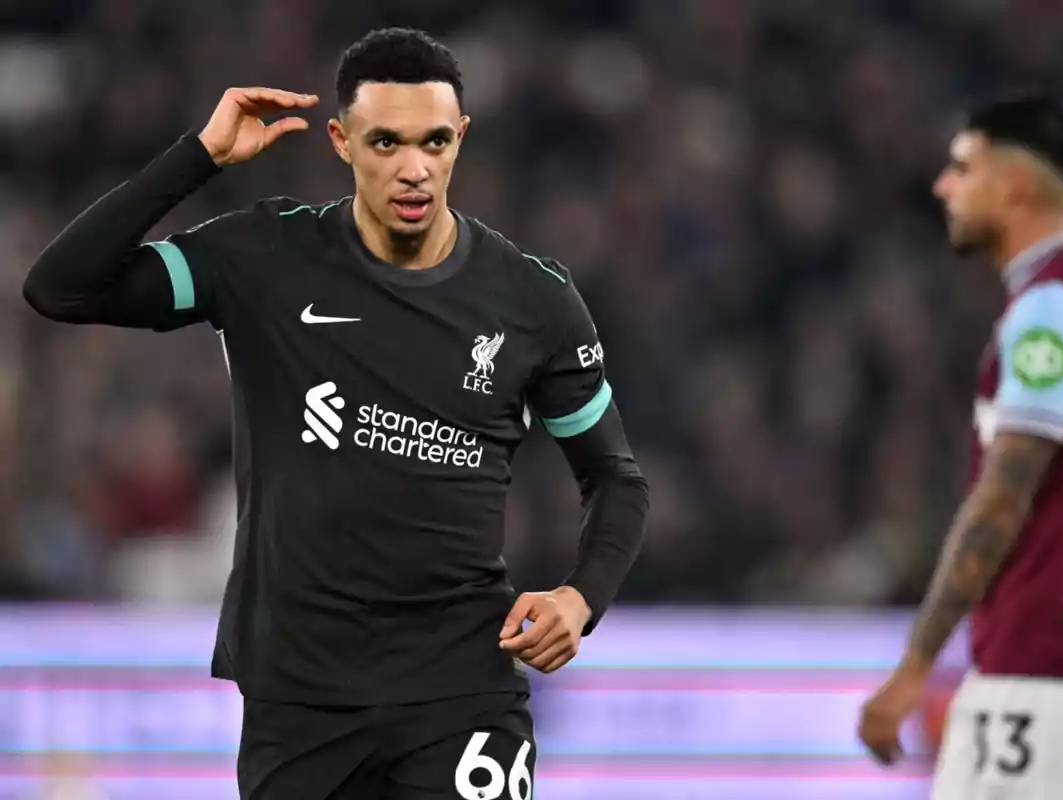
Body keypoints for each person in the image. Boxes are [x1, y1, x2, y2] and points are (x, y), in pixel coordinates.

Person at [23, 27, 650, 800]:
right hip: (298, 697)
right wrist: (200, 156)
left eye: (434, 142)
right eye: (385, 141)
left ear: (461, 140)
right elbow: (62, 287)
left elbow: (615, 479)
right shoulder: (263, 258)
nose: (414, 168)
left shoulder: (534, 301)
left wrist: (579, 596)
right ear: (341, 141)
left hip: (459, 690)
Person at [857, 95, 1063, 798]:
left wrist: (914, 666)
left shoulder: (1053, 311)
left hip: (1054, 649)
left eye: (963, 168)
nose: (944, 186)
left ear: (1015, 186)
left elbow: (1001, 501)